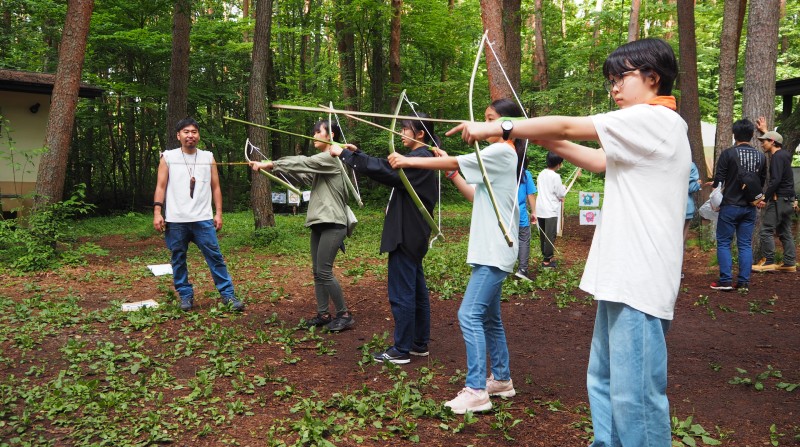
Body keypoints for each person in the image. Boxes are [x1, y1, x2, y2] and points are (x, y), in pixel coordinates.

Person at [448, 38, 689, 446]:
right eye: (611, 79)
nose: (614, 87)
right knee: (604, 380)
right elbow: (594, 158)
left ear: (653, 77)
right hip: (621, 277)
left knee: (636, 398)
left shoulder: (657, 119)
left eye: (621, 77)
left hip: (640, 280)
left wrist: (499, 126)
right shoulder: (643, 128)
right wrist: (534, 135)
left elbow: (566, 126)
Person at [389, 98, 524, 414]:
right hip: (491, 249)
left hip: (494, 251)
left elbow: (453, 163)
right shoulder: (499, 155)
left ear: (508, 125)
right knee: (489, 317)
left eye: (490, 119)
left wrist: (411, 161)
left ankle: (477, 390)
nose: (485, 123)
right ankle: (501, 379)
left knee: (469, 315)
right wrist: (452, 171)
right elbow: (476, 193)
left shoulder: (502, 151)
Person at [329, 114, 438, 363]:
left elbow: (387, 171)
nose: (401, 133)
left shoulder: (420, 159)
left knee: (402, 293)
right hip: (413, 233)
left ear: (420, 134)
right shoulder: (421, 158)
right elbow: (386, 165)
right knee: (416, 290)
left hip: (406, 234)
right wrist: (358, 153)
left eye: (404, 129)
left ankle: (401, 349)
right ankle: (418, 343)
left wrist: (346, 156)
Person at [250, 120, 355, 332]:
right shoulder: (323, 162)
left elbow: (304, 162)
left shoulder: (332, 158)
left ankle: (344, 314)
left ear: (330, 135)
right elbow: (306, 174)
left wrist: (271, 163)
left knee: (324, 271)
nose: (314, 135)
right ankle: (323, 313)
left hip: (334, 223)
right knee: (317, 271)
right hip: (320, 221)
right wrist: (276, 169)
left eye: (319, 132)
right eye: (314, 131)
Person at [153, 117, 244, 312]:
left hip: (203, 219)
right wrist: (157, 212)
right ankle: (185, 295)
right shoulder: (168, 157)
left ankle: (228, 295)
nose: (190, 136)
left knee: (215, 257)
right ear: (178, 135)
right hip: (176, 220)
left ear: (198, 135)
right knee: (178, 258)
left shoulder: (207, 157)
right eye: (186, 132)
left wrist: (218, 213)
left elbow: (216, 187)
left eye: (194, 132)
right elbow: (160, 186)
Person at [709, 119, 767, 291]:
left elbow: (718, 180)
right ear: (752, 135)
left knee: (724, 242)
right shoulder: (761, 156)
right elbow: (761, 181)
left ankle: (725, 280)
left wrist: (714, 197)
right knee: (744, 244)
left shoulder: (728, 154)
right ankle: (743, 282)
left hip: (730, 205)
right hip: (749, 207)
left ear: (734, 135)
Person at [751, 126, 797, 273]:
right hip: (788, 199)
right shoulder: (784, 155)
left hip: (779, 199)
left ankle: (769, 261)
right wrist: (764, 130)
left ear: (772, 142)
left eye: (764, 141)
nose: (762, 144)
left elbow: (775, 180)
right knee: (785, 231)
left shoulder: (777, 157)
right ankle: (789, 263)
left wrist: (765, 197)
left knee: (766, 230)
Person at [535, 153, 568, 269]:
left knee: (543, 235)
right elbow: (560, 193)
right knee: (550, 235)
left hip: (540, 209)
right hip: (550, 210)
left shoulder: (541, 174)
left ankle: (546, 256)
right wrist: (563, 187)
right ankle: (547, 261)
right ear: (558, 164)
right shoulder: (555, 177)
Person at [514, 163, 537, 281]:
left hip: (504, 214)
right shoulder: (525, 173)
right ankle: (522, 269)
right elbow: (530, 195)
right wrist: (534, 212)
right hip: (520, 214)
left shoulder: (502, 169)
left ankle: (502, 267)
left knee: (506, 238)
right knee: (523, 239)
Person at [682, 162, 702, 277]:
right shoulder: (689, 164)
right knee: (681, 240)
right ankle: (677, 271)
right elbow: (690, 187)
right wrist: (697, 184)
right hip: (684, 207)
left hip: (665, 207)